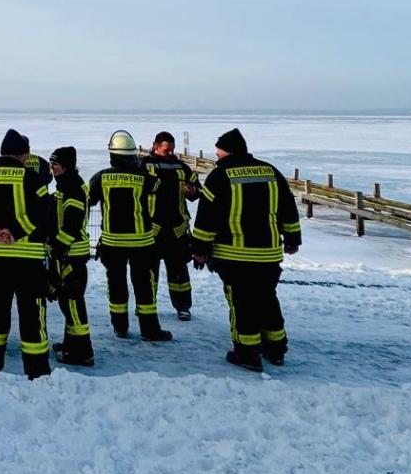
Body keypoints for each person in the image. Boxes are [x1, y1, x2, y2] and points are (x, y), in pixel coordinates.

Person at [190, 128, 301, 372]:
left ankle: (247, 352)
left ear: (227, 150)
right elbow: (288, 207)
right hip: (268, 254)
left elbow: (207, 217)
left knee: (242, 303)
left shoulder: (220, 176)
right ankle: (276, 349)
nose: (216, 154)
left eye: (218, 149)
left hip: (234, 254)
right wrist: (293, 238)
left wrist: (199, 248)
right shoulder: (270, 171)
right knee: (267, 299)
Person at [0, 129, 56, 379]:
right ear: (23, 155)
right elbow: (43, 213)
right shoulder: (32, 178)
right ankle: (37, 372)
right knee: (32, 317)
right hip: (28, 262)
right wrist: (15, 232)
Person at [88, 130, 170, 341]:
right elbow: (163, 203)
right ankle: (150, 330)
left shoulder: (100, 178)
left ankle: (120, 326)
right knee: (144, 287)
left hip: (112, 243)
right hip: (142, 243)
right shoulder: (146, 178)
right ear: (133, 155)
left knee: (116, 285)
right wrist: (154, 231)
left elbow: (86, 203)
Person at [145, 130, 202, 322]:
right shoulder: (143, 166)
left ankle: (183, 306)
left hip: (177, 229)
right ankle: (147, 307)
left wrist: (192, 191)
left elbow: (197, 192)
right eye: (166, 150)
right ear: (155, 146)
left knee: (179, 272)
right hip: (151, 228)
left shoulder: (182, 168)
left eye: (172, 150)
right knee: (148, 272)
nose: (170, 153)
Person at [48, 146, 95, 366]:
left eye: (55, 165)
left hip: (72, 256)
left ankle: (82, 351)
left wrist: (57, 247)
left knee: (73, 305)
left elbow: (72, 225)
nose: (52, 169)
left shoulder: (73, 189)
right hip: (68, 255)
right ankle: (71, 342)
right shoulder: (66, 185)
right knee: (67, 303)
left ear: (65, 166)